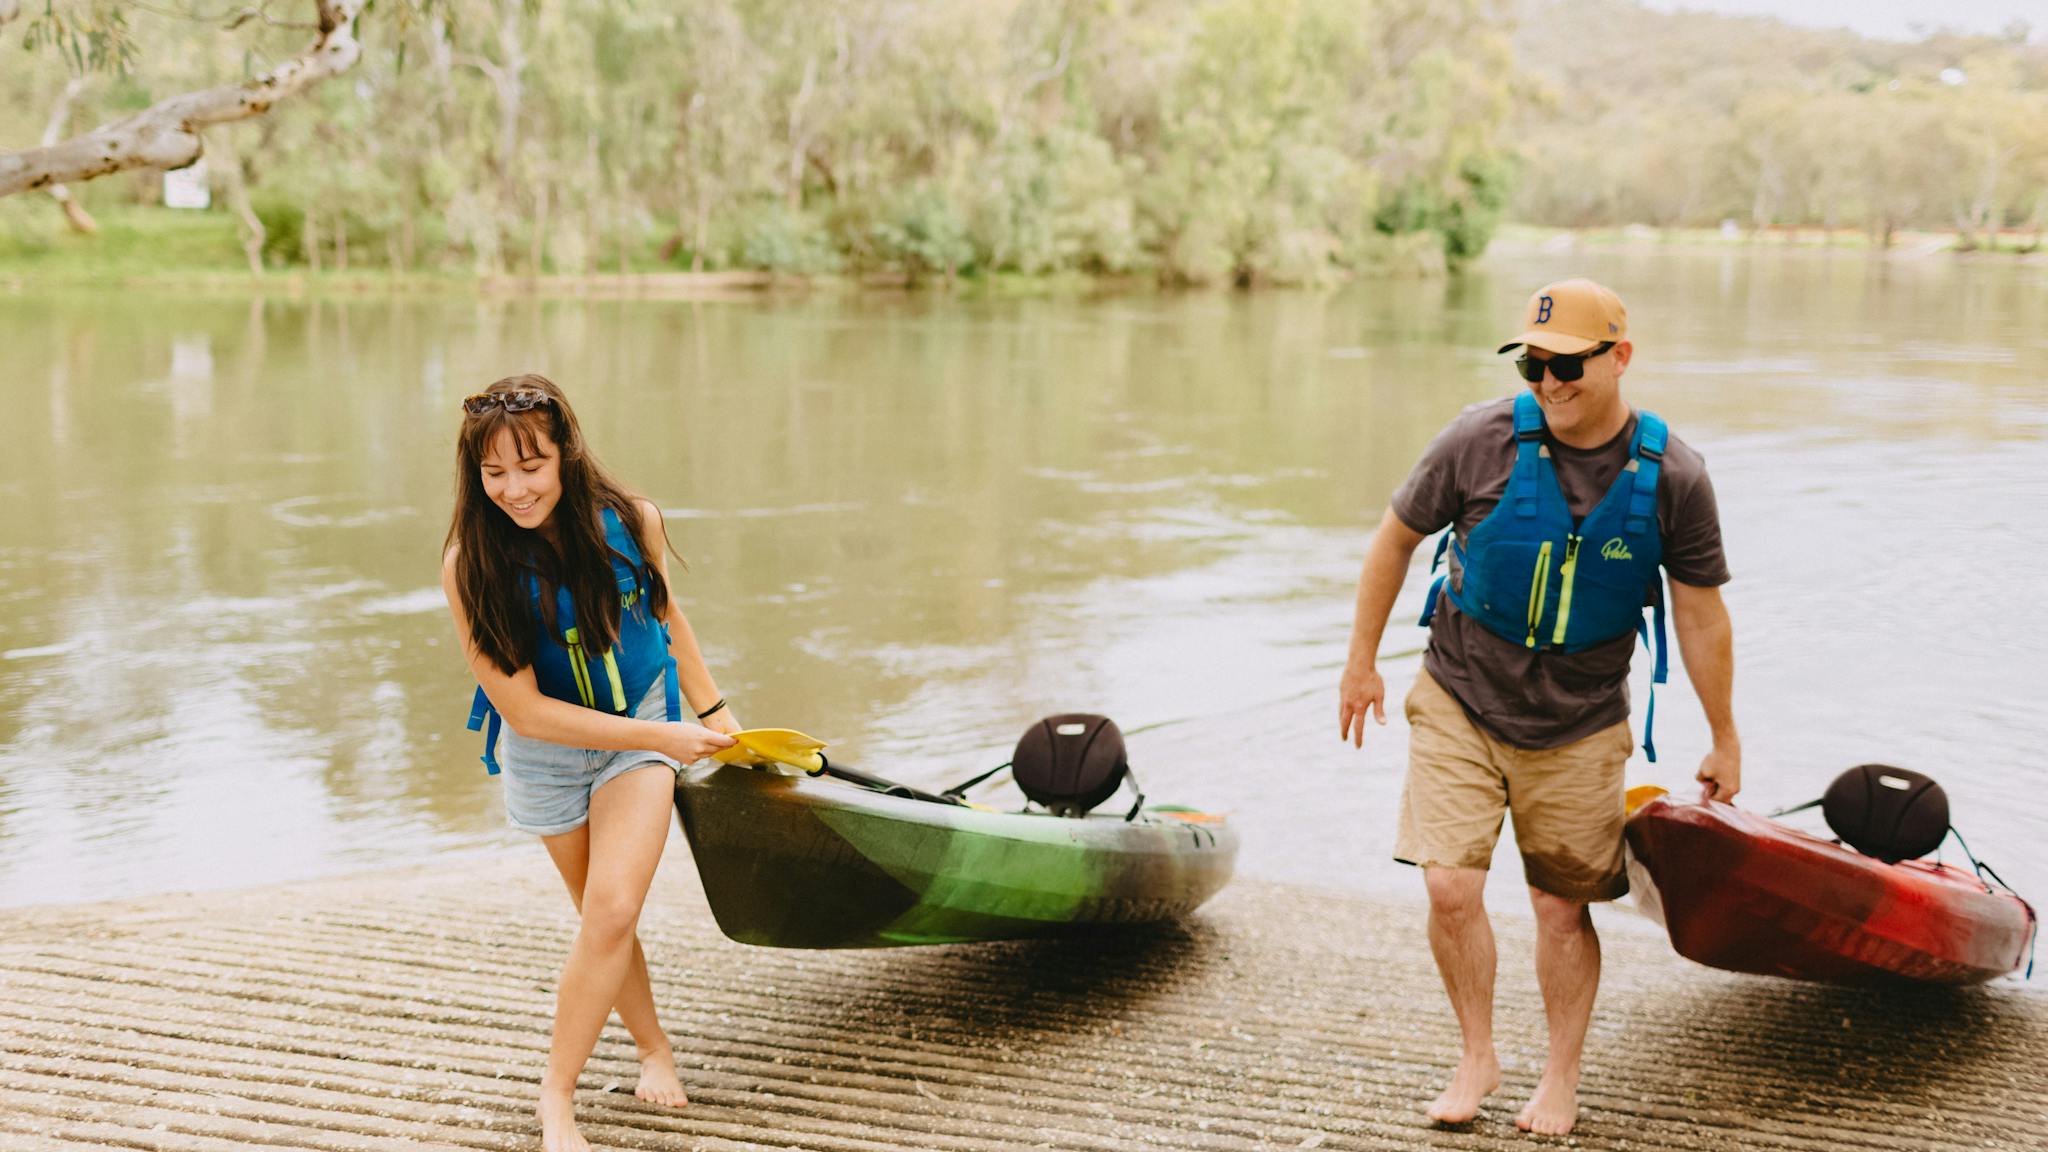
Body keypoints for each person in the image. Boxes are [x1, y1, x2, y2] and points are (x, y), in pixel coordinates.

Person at [1337, 279, 1740, 1136]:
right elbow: (1394, 539)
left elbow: (1701, 613)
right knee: (1450, 885)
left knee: (1561, 907)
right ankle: (1476, 1052)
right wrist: (1360, 662)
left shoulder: (1676, 478)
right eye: (1533, 363)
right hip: (1460, 692)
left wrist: (1725, 735)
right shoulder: (1477, 440)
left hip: (1581, 719)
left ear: (1619, 358)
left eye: (1567, 365)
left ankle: (1560, 1078)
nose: (1548, 383)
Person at [441, 374, 739, 1152]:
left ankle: (557, 1099)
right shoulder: (468, 561)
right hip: (544, 751)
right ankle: (652, 1047)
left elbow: (669, 619)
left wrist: (709, 715)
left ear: (566, 453)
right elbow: (525, 710)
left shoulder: (632, 520)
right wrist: (663, 742)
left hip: (640, 723)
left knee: (610, 910)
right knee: (601, 924)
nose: (513, 489)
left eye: (530, 467)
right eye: (494, 473)